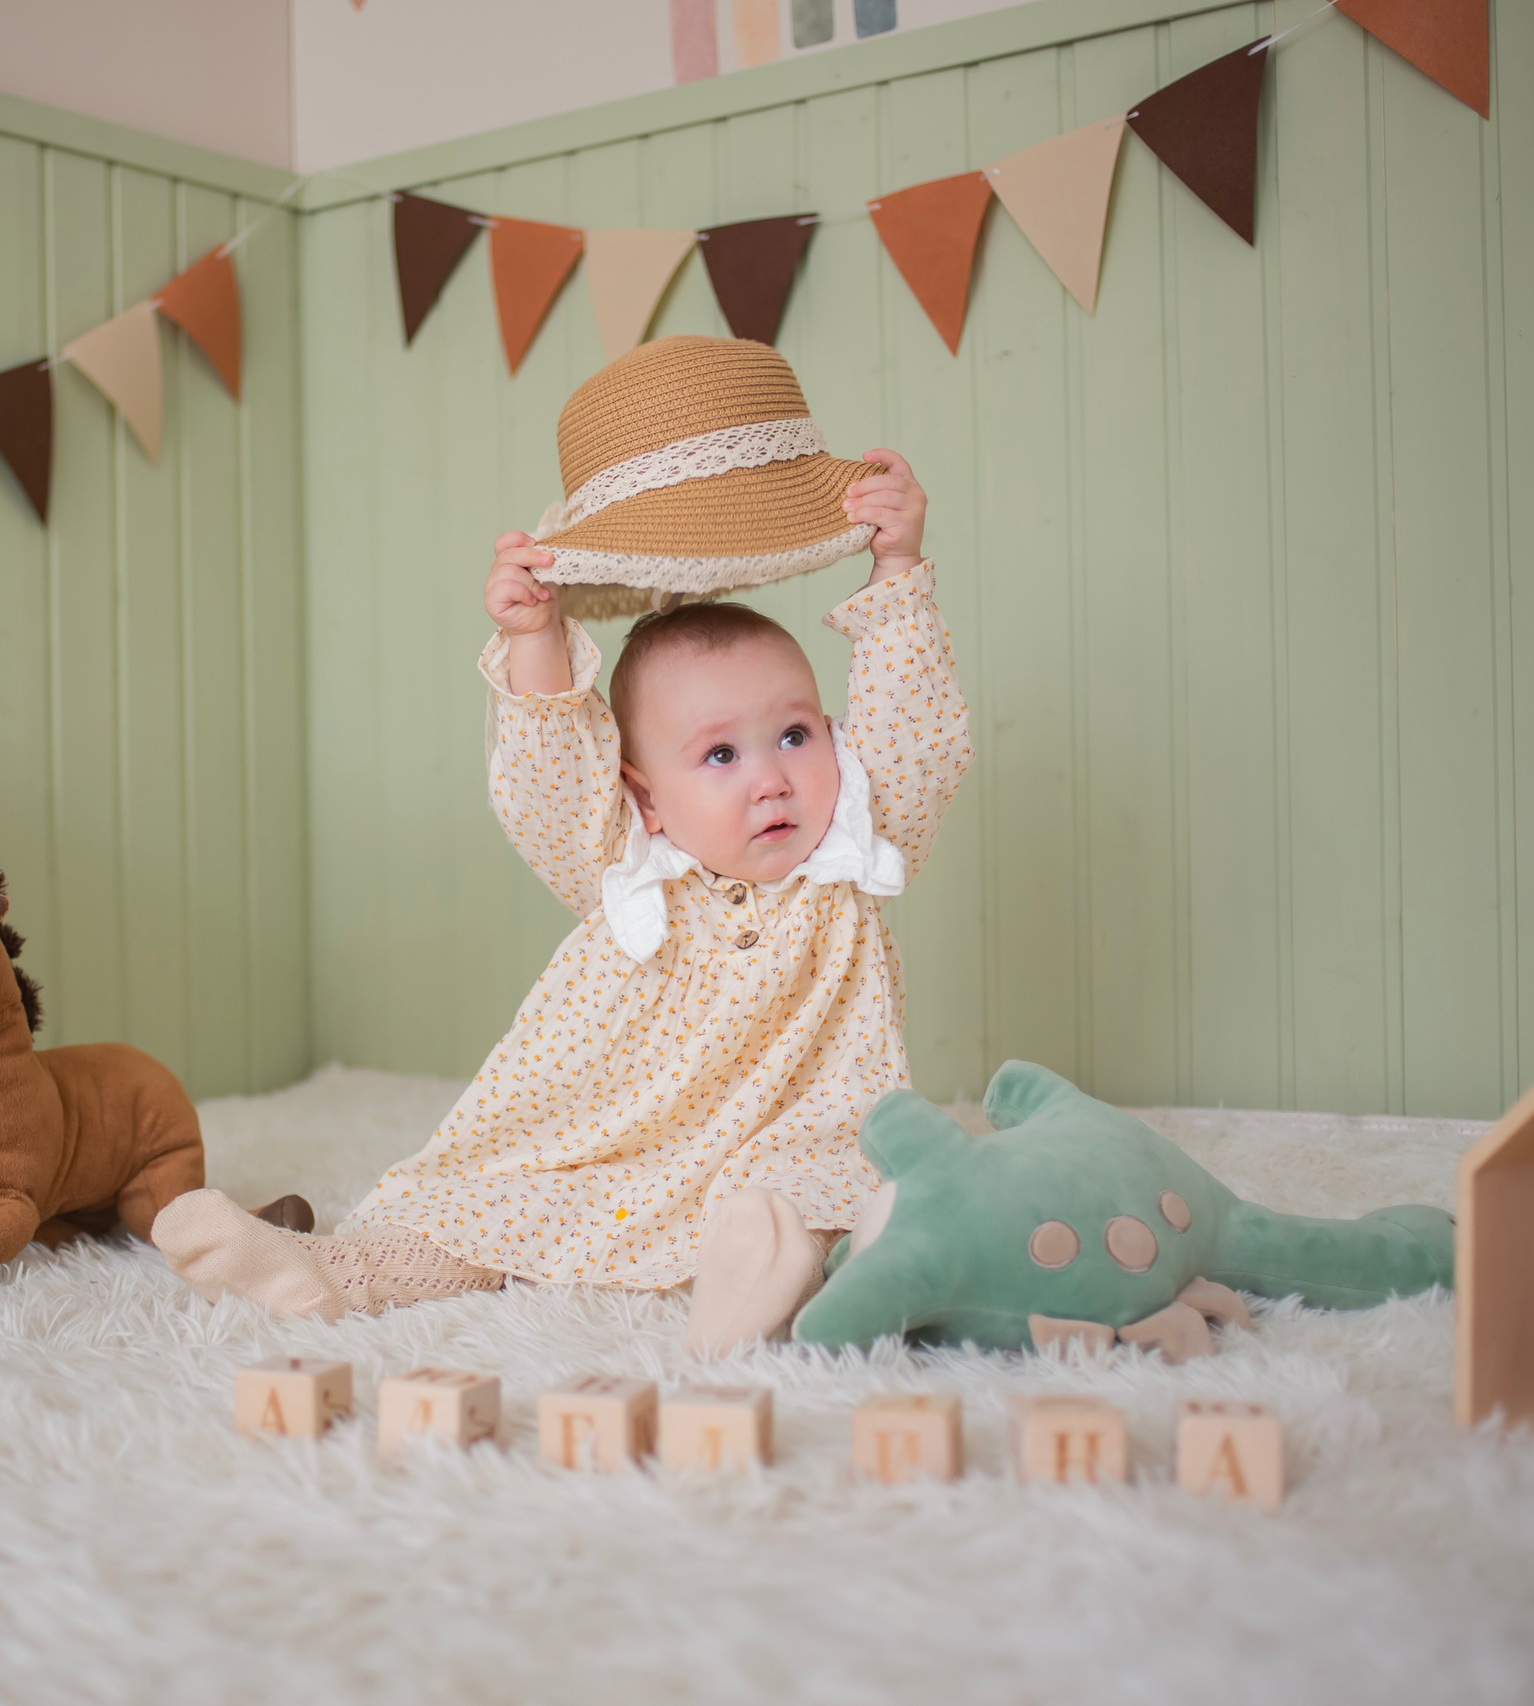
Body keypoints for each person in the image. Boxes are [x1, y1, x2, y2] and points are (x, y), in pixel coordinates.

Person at [154, 335, 970, 1351]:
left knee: (838, 1193)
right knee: (485, 1198)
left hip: (787, 1137)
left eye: (796, 733)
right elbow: (548, 778)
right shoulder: (624, 865)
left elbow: (914, 731)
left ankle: (761, 1289)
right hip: (610, 1138)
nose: (772, 775)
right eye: (718, 754)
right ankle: (334, 1273)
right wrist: (539, 643)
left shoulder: (852, 852)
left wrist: (897, 569)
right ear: (645, 799)